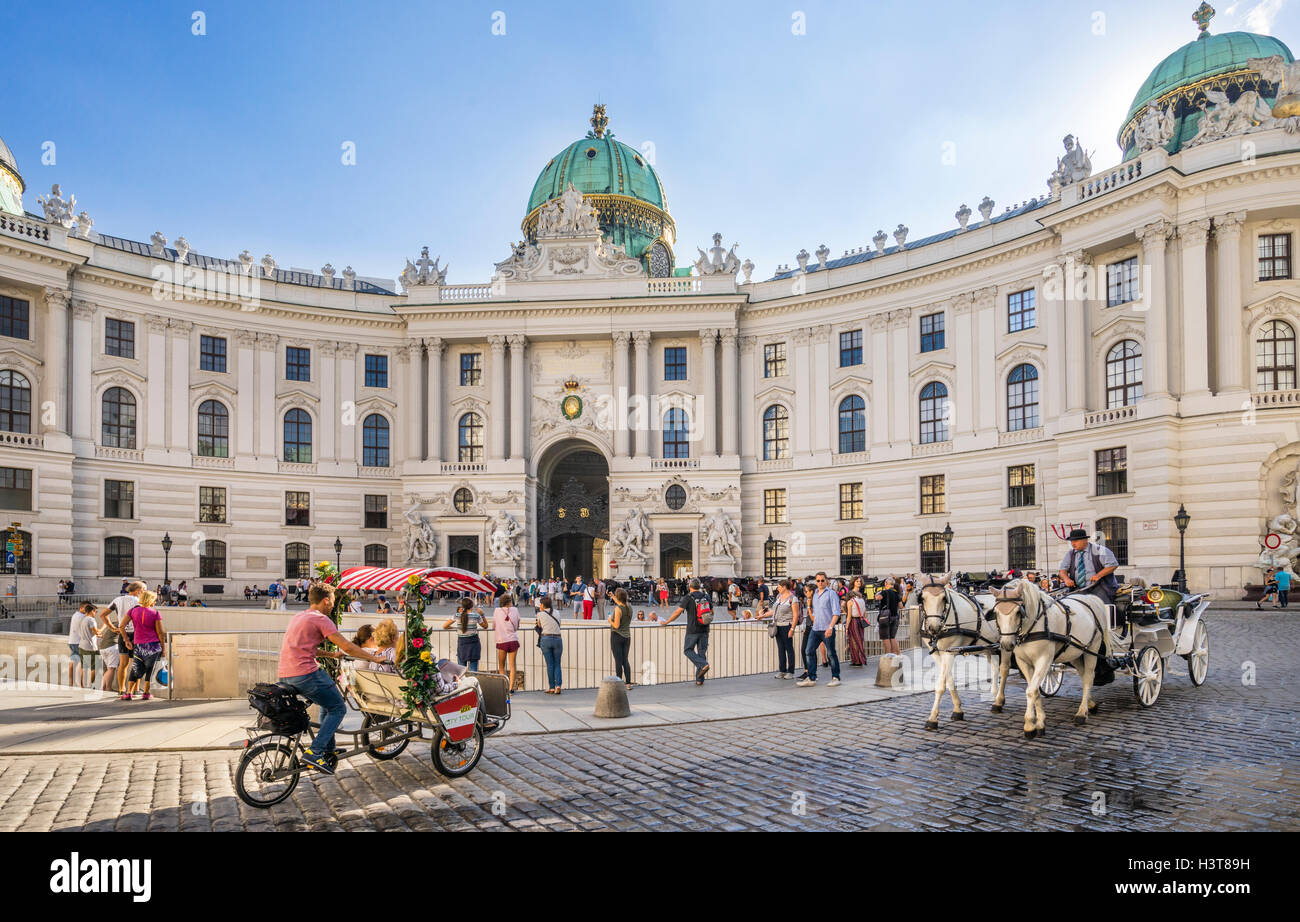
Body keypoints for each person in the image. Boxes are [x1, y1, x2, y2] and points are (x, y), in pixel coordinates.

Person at [277, 584, 387, 774]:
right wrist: (374, 658)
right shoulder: (322, 619)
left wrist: (330, 655)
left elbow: (305, 647)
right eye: (333, 602)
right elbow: (348, 646)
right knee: (338, 708)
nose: (333, 606)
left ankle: (328, 748)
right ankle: (316, 751)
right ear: (326, 600)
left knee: (326, 704)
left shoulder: (299, 616)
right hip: (305, 674)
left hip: (286, 674)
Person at [99, 581, 146, 697]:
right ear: (138, 591)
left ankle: (122, 689)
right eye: (144, 590)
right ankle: (135, 689)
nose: (144, 593)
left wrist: (112, 628)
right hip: (136, 634)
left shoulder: (117, 600)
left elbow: (103, 615)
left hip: (122, 633)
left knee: (123, 664)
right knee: (137, 663)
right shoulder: (139, 602)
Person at [662, 577, 712, 685]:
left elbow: (677, 612)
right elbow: (711, 612)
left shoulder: (688, 597)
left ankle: (703, 664)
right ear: (699, 586)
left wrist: (667, 622)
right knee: (701, 652)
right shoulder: (706, 596)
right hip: (705, 629)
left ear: (690, 587)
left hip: (693, 629)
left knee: (687, 650)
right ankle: (699, 680)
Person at [797, 572, 841, 687]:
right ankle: (811, 677)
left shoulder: (831, 594)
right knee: (809, 651)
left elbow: (836, 613)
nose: (820, 583)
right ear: (815, 582)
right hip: (815, 628)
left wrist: (830, 627)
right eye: (818, 581)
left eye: (822, 580)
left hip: (827, 628)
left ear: (826, 581)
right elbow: (814, 615)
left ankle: (835, 677)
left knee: (831, 653)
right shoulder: (815, 594)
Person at [1057, 528, 1120, 606]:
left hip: (1100, 586)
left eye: (1075, 541)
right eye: (1072, 541)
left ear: (1085, 540)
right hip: (1079, 588)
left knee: (1103, 607)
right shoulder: (1070, 553)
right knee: (1073, 607)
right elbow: (1062, 570)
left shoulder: (1099, 550)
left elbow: (1113, 565)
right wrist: (1066, 579)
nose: (1073, 544)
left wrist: (1098, 575)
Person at [125, 590, 167, 701]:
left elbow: (121, 626)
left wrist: (126, 640)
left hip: (138, 645)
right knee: (150, 669)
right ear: (150, 600)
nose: (155, 602)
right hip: (153, 646)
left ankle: (128, 693)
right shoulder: (155, 613)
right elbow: (160, 633)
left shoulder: (133, 611)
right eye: (155, 600)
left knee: (135, 668)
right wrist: (163, 648)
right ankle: (146, 693)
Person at [755, 578, 799, 678]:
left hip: (786, 626)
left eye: (778, 587)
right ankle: (782, 670)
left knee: (789, 648)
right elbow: (773, 611)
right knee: (780, 649)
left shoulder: (793, 599)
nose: (777, 588)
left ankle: (790, 671)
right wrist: (762, 616)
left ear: (784, 587)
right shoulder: (779, 597)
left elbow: (795, 615)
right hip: (777, 626)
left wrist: (792, 629)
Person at [444, 597, 488, 672]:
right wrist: (482, 614)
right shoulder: (476, 616)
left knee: (461, 671)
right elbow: (485, 626)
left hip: (462, 644)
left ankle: (463, 684)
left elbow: (445, 626)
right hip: (474, 644)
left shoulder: (457, 615)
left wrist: (456, 628)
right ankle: (473, 683)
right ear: (472, 606)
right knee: (473, 671)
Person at [492, 593, 521, 692]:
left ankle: (504, 687)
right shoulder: (515, 610)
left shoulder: (497, 611)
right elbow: (517, 625)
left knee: (501, 666)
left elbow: (494, 625)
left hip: (501, 641)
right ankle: (511, 688)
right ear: (510, 602)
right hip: (513, 640)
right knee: (512, 666)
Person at [536, 596, 564, 693]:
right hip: (557, 638)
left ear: (543, 605)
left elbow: (539, 625)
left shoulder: (540, 614)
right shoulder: (557, 612)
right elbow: (559, 624)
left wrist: (540, 611)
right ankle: (558, 686)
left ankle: (551, 687)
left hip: (546, 639)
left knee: (550, 664)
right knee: (557, 663)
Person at [608, 587, 634, 688]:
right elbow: (621, 603)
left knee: (618, 660)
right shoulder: (629, 606)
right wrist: (613, 597)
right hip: (627, 636)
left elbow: (616, 625)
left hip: (617, 636)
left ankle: (619, 683)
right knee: (625, 660)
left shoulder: (618, 609)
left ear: (618, 597)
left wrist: (610, 620)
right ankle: (628, 683)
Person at [845, 575, 870, 666]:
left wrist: (846, 627)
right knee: (858, 640)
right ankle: (858, 659)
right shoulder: (859, 596)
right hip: (859, 620)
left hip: (854, 620)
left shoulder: (855, 597)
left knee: (855, 640)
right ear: (853, 583)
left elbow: (848, 613)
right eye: (857, 581)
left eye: (860, 581)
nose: (859, 583)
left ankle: (857, 659)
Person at [75, 601, 100, 689]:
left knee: (84, 667)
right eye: (95, 611)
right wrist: (105, 626)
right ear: (92, 611)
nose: (95, 613)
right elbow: (96, 632)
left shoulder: (82, 619)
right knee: (95, 667)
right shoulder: (91, 620)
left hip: (81, 645)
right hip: (91, 647)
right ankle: (91, 685)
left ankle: (82, 685)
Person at [876, 576, 904, 656]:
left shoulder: (884, 592)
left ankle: (888, 655)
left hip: (885, 617)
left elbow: (877, 598)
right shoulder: (896, 593)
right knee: (892, 637)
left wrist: (879, 592)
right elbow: (901, 606)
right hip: (894, 616)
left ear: (886, 584)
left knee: (885, 637)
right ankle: (898, 654)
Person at [67, 602, 90, 685]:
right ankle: (81, 683)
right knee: (81, 663)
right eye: (86, 608)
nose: (88, 610)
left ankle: (71, 683)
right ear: (81, 608)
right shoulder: (82, 617)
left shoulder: (75, 615)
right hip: (78, 642)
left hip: (72, 641)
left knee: (72, 661)